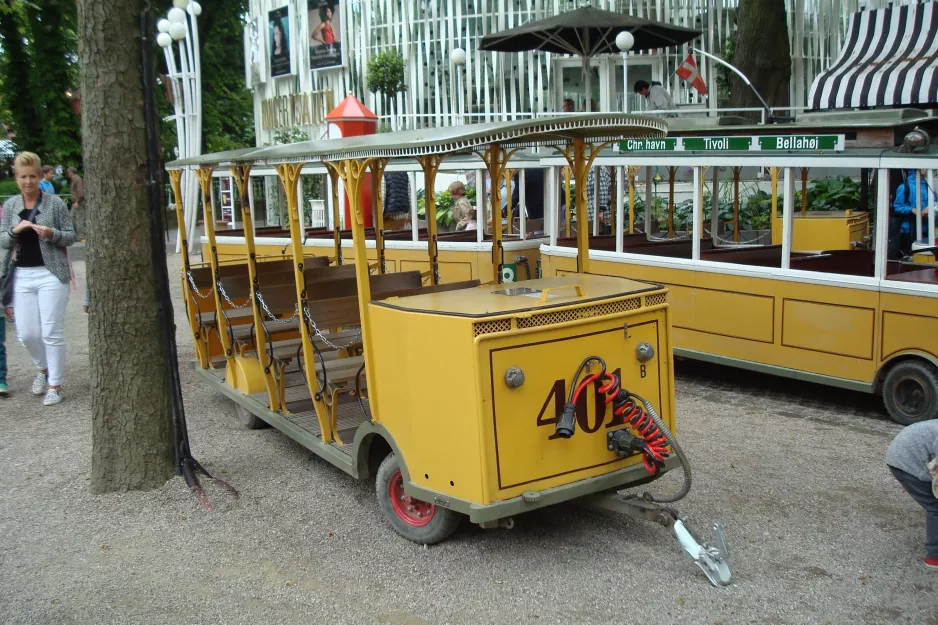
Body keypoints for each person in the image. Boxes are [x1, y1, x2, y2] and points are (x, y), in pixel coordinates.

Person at [0, 152, 77, 406]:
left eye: (33, 176)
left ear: (38, 176)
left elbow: (70, 235)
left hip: (51, 273)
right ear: (17, 176)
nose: (28, 181)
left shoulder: (54, 204)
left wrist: (51, 233)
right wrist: (16, 230)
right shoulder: (11, 205)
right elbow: (2, 240)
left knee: (51, 331)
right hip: (21, 273)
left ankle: (55, 384)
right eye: (23, 177)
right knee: (27, 333)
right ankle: (42, 369)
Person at [886, 420, 938, 570]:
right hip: (906, 461)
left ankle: (913, 481)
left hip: (911, 453)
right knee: (935, 506)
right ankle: (934, 557)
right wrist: (913, 480)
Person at [893, 169, 937, 244]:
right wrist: (912, 210)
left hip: (927, 229)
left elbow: (936, 202)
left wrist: (930, 207)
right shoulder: (904, 187)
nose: (926, 169)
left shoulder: (928, 186)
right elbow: (897, 207)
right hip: (908, 230)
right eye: (924, 167)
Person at [67, 167, 85, 240]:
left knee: (79, 219)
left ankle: (81, 236)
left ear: (71, 172)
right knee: (71, 217)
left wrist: (77, 201)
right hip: (75, 202)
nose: (68, 174)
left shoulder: (78, 179)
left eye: (68, 172)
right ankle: (75, 235)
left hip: (79, 202)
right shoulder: (74, 180)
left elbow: (80, 192)